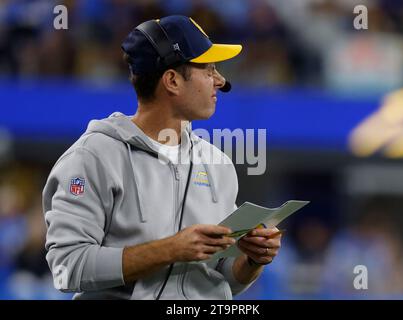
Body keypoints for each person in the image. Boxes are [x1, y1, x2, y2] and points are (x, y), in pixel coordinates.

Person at [42, 15, 282, 300]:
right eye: (208, 69)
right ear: (172, 81)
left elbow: (220, 278)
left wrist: (252, 261)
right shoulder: (93, 156)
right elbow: (67, 267)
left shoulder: (218, 163)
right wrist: (170, 249)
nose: (220, 81)